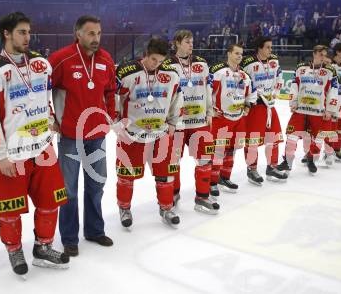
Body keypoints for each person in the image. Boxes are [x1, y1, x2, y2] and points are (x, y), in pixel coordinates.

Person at [0, 12, 69, 276]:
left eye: (29, 32)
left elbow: (44, 97)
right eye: (21, 32)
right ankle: (14, 249)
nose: (28, 37)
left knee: (51, 200)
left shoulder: (41, 63)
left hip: (41, 148)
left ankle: (43, 247)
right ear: (6, 34)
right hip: (10, 154)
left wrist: (51, 119)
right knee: (9, 208)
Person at [48, 15, 116, 257]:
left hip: (97, 134)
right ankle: (69, 238)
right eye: (90, 33)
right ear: (78, 34)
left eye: (98, 33)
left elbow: (110, 91)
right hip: (70, 136)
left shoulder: (106, 59)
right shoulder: (61, 59)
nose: (95, 38)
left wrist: (110, 115)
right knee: (68, 190)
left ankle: (95, 230)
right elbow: (40, 89)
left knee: (96, 186)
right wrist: (50, 117)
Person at [115, 38, 183, 228]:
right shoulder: (126, 72)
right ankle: (124, 208)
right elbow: (112, 97)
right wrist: (118, 125)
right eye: (154, 60)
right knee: (126, 174)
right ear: (145, 54)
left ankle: (166, 207)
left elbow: (177, 98)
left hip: (160, 133)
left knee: (165, 172)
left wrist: (172, 122)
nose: (157, 65)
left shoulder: (171, 74)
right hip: (132, 134)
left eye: (161, 61)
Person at [163, 30, 219, 214]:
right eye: (187, 41)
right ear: (177, 42)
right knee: (173, 161)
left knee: (204, 160)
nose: (191, 44)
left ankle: (202, 197)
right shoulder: (167, 66)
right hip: (177, 123)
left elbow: (208, 88)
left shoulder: (202, 63)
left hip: (199, 121)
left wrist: (210, 111)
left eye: (192, 41)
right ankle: (174, 192)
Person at [278, 45, 339, 175]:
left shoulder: (330, 71)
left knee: (317, 139)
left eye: (325, 55)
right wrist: (293, 102)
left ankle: (310, 158)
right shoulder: (301, 68)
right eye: (321, 54)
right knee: (291, 135)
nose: (324, 57)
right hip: (301, 109)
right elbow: (294, 86)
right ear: (314, 54)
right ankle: (287, 162)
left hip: (318, 112)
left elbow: (334, 92)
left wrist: (330, 110)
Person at [240, 36, 287, 186]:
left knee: (273, 137)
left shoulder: (274, 60)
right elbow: (242, 84)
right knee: (252, 140)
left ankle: (272, 166)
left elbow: (279, 77)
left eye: (271, 47)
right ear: (259, 48)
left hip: (269, 106)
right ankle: (252, 169)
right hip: (255, 107)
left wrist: (275, 91)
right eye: (267, 47)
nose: (270, 50)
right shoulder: (248, 63)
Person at [209, 44, 254, 195]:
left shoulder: (245, 76)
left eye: (241, 54)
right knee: (218, 150)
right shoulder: (218, 71)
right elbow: (208, 91)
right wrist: (211, 110)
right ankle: (212, 181)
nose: (239, 56)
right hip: (221, 118)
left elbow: (251, 94)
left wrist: (247, 106)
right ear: (229, 54)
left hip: (238, 119)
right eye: (236, 53)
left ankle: (225, 177)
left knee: (232, 150)